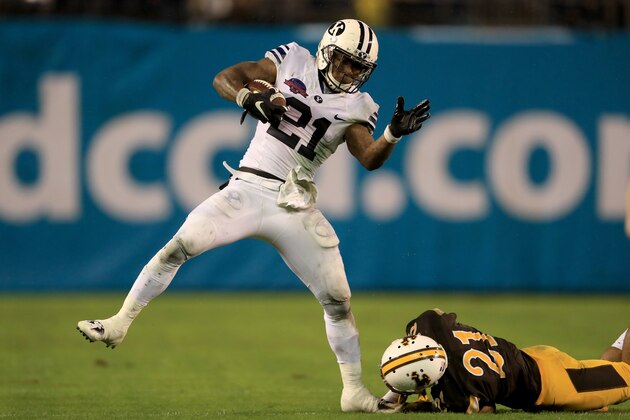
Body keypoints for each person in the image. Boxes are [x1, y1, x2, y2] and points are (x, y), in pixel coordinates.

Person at [76, 19, 430, 413]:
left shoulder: (359, 105)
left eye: (358, 68)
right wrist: (248, 98)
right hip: (246, 187)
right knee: (180, 245)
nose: (349, 72)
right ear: (328, 49)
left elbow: (368, 158)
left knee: (338, 300)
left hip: (294, 204)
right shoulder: (293, 59)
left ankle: (352, 391)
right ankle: (120, 323)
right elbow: (224, 78)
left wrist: (392, 136)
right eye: (346, 61)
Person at [380, 308, 630, 413]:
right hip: (533, 357)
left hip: (554, 384)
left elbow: (485, 409)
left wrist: (428, 403)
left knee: (628, 376)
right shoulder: (430, 326)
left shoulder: (461, 389)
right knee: (610, 363)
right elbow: (437, 315)